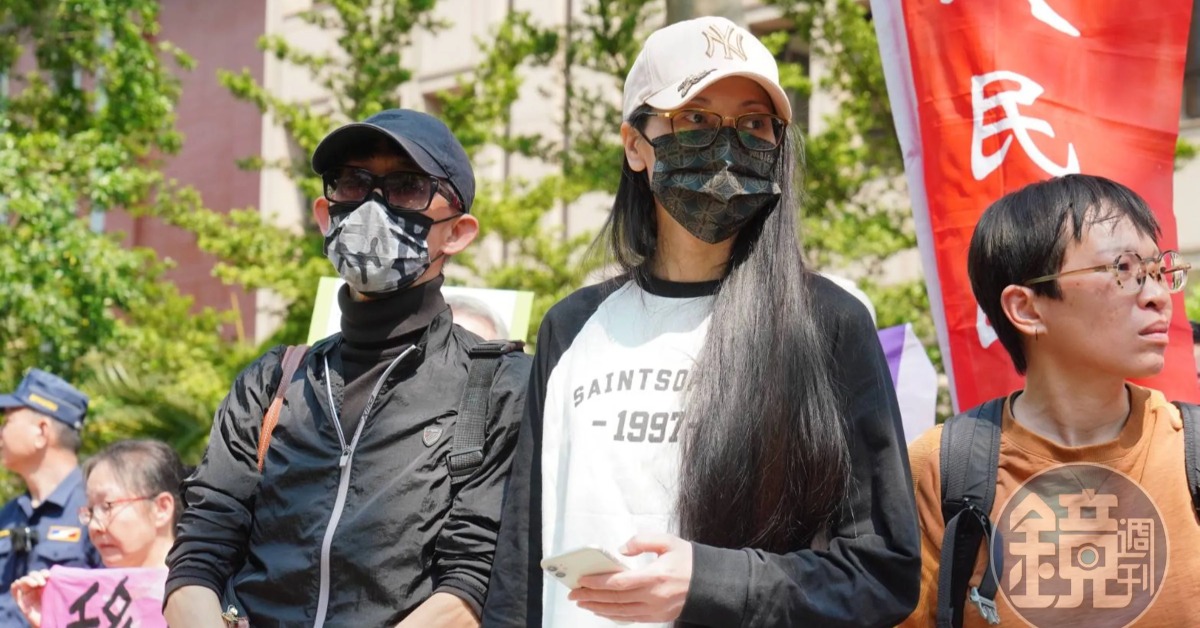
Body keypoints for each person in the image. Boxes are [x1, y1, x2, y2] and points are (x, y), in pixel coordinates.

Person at [482, 16, 919, 628]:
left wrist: (712, 582)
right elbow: (521, 561)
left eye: (754, 124)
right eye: (695, 118)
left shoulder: (827, 324)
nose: (728, 143)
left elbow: (883, 572)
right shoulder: (573, 327)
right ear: (635, 145)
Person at [163, 109, 532, 627]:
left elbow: (474, 582)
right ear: (326, 214)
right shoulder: (271, 384)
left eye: (407, 187)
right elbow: (199, 554)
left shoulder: (500, 386)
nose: (373, 206)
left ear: (458, 232)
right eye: (352, 183)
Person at [902, 174, 1200, 627]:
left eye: (1159, 271)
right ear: (1026, 308)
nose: (1158, 296)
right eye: (1124, 269)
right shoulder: (942, 469)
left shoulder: (1187, 451)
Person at [10, 439, 186, 627]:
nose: (94, 526)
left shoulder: (198, 596)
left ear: (161, 508)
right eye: (90, 510)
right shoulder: (92, 604)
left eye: (107, 506)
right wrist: (52, 618)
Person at [0, 369, 101, 626]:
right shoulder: (8, 515)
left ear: (42, 431)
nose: (1, 432)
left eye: (8, 421)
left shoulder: (99, 509)